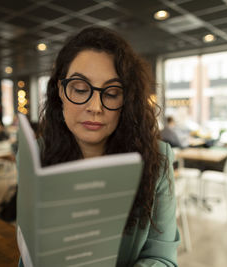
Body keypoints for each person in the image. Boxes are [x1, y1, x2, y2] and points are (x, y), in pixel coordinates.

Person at [19, 26, 180, 266]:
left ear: (126, 101)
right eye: (80, 89)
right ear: (61, 91)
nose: (95, 106)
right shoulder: (36, 155)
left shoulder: (157, 159)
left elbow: (162, 258)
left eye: (112, 93)